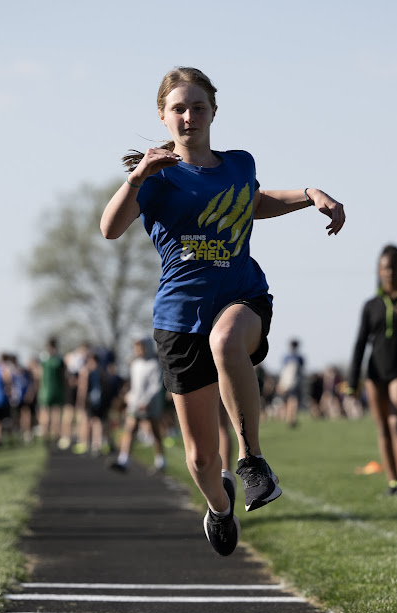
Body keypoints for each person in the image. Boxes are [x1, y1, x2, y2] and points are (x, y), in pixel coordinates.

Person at [100, 66, 345, 556]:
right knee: (199, 459)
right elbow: (110, 228)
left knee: (227, 340)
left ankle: (252, 460)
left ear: (214, 111)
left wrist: (309, 194)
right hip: (178, 318)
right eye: (179, 109)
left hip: (241, 296)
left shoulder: (238, 164)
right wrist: (136, 177)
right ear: (163, 117)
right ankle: (218, 505)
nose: (189, 116)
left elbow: (253, 203)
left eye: (198, 107)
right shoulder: (154, 178)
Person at [347, 245, 397, 495]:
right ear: (379, 271)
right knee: (383, 427)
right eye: (384, 268)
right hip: (375, 373)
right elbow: (359, 343)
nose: (389, 272)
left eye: (393, 267)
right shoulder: (372, 305)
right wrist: (353, 381)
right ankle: (393, 481)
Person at [110, 338, 166, 473]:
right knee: (130, 430)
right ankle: (123, 460)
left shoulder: (154, 364)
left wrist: (146, 401)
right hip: (136, 404)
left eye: (140, 348)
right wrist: (129, 396)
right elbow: (134, 385)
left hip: (151, 404)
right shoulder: (135, 364)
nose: (138, 351)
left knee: (154, 432)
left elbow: (156, 386)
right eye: (137, 348)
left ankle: (161, 461)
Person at [276, 339, 305, 427]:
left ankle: (289, 418)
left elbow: (283, 372)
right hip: (295, 383)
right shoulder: (299, 358)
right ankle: (292, 418)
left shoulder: (286, 357)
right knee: (293, 400)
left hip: (287, 383)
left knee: (289, 401)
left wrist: (281, 383)